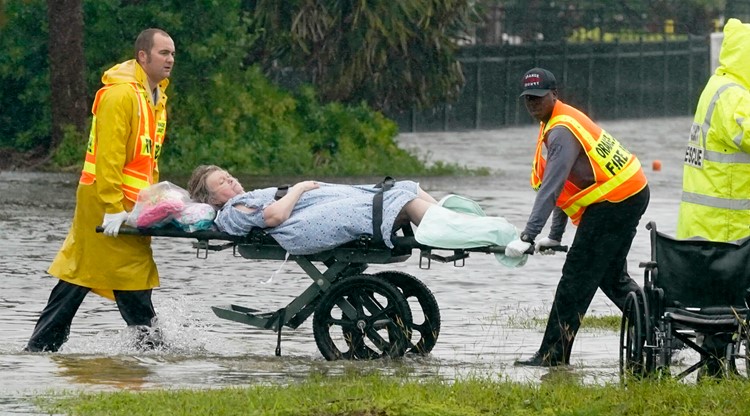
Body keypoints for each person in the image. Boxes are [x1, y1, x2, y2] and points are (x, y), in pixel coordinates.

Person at [24, 28, 176, 352]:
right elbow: (108, 158)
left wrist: (155, 201)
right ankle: (153, 351)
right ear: (143, 56)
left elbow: (148, 161)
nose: (170, 59)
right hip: (106, 201)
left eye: (173, 53)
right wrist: (112, 207)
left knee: (81, 273)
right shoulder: (121, 95)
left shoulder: (157, 98)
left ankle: (40, 349)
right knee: (129, 275)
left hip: (131, 204)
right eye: (164, 53)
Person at [507, 68, 650, 367]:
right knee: (610, 276)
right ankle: (660, 332)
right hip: (628, 194)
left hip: (616, 201)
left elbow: (552, 187)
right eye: (527, 98)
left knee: (575, 278)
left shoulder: (560, 131)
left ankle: (551, 356)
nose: (532, 103)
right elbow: (569, 188)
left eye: (538, 97)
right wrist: (555, 235)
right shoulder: (557, 120)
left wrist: (527, 237)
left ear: (554, 94)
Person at [186, 165, 527, 265]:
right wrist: (301, 187)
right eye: (222, 183)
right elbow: (274, 216)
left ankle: (458, 223)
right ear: (210, 198)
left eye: (229, 176)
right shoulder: (232, 211)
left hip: (312, 209)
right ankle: (476, 231)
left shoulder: (243, 198)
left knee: (403, 185)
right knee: (396, 200)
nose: (231, 182)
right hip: (301, 227)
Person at [676, 18, 750, 378]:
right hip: (728, 226)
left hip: (703, 224)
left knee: (719, 303)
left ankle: (716, 366)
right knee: (731, 299)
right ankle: (717, 368)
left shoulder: (715, 87)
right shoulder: (736, 97)